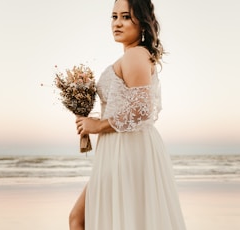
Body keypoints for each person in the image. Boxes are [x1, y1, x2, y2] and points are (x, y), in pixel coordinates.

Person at [70, 0, 187, 229]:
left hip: (128, 149)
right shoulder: (130, 57)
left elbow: (142, 111)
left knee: (81, 218)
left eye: (126, 17)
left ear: (142, 23)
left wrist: (97, 125)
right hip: (117, 148)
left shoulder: (135, 55)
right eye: (114, 17)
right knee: (82, 218)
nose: (117, 23)